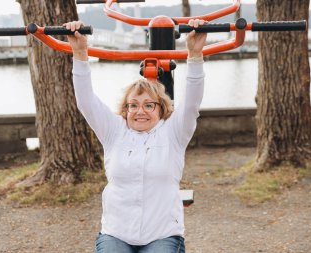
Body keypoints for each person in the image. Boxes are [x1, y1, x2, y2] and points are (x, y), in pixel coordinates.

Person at [64, 19, 207, 253]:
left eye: (149, 105)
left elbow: (192, 101)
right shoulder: (114, 131)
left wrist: (195, 54)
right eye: (133, 105)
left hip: (162, 234)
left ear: (161, 109)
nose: (140, 111)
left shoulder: (174, 133)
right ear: (125, 110)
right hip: (117, 233)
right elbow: (86, 101)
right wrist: (79, 52)